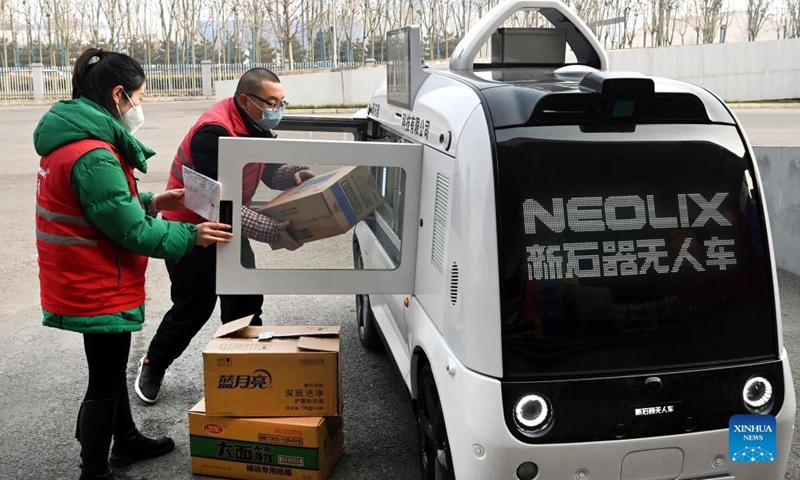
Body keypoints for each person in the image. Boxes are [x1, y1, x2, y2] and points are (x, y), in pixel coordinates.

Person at [34, 48, 233, 480]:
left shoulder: (72, 141)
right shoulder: (94, 154)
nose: (140, 107)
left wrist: (153, 201)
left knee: (107, 366)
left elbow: (106, 209)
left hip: (86, 274)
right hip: (96, 280)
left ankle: (124, 440)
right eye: (139, 98)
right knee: (103, 379)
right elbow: (131, 232)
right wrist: (190, 234)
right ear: (118, 95)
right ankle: (95, 470)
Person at [135, 68, 314, 405]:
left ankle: (245, 369)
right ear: (245, 100)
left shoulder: (255, 123)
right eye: (271, 103)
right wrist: (273, 230)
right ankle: (154, 364)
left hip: (230, 225)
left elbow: (270, 170)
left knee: (245, 300)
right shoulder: (213, 132)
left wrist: (293, 174)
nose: (277, 110)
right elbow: (213, 203)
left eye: (282, 103)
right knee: (193, 306)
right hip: (191, 228)